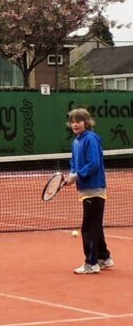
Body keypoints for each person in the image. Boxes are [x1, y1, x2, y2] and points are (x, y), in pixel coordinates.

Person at [66, 108, 114, 274]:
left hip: (95, 188)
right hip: (85, 189)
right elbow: (73, 161)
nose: (75, 124)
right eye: (72, 122)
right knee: (95, 226)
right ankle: (104, 257)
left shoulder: (91, 139)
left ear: (86, 123)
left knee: (89, 228)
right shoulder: (76, 141)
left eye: (78, 121)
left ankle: (91, 263)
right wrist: (72, 174)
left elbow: (94, 163)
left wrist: (78, 175)